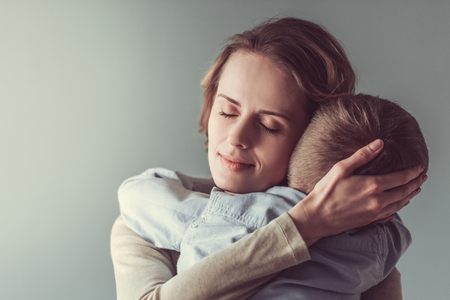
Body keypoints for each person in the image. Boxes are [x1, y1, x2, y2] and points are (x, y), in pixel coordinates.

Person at [111, 17, 426, 300]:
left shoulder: (358, 231)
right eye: (227, 111)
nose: (237, 137)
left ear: (312, 136)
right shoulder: (141, 224)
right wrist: (305, 227)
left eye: (269, 125)